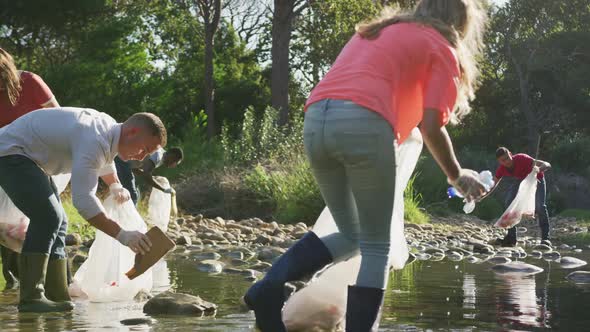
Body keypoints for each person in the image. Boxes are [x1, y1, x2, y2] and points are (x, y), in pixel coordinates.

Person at [243, 0, 488, 331]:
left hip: (316, 119)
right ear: (460, 24)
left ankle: (268, 288)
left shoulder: (377, 31)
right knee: (376, 246)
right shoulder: (441, 45)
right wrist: (457, 176)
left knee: (352, 235)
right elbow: (431, 126)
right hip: (364, 123)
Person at [0, 107, 166, 312]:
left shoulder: (108, 131)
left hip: (32, 159)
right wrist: (123, 235)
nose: (141, 158)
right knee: (48, 217)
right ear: (132, 132)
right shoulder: (94, 137)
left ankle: (58, 296)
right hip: (11, 151)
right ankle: (31, 298)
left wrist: (115, 185)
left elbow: (104, 159)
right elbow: (83, 200)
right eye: (145, 149)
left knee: (60, 223)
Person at [0, 47, 60, 289]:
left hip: (39, 160)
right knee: (7, 225)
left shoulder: (30, 82)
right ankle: (17, 282)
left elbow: (59, 116)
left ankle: (54, 287)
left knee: (52, 219)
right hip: (6, 162)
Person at [493, 147, 552, 247]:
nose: (507, 161)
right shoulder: (502, 169)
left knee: (540, 206)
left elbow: (547, 164)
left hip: (537, 178)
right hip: (521, 181)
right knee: (508, 203)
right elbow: (493, 184)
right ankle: (511, 238)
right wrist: (481, 196)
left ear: (510, 154)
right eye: (503, 160)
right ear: (499, 162)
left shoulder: (522, 158)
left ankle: (545, 238)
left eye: (507, 158)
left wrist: (539, 169)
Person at [114, 147, 183, 205]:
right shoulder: (158, 156)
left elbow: (136, 169)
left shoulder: (160, 156)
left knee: (134, 194)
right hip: (121, 161)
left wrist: (151, 178)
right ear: (172, 155)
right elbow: (146, 175)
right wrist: (163, 189)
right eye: (174, 162)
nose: (173, 165)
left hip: (125, 163)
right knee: (133, 196)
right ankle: (127, 218)